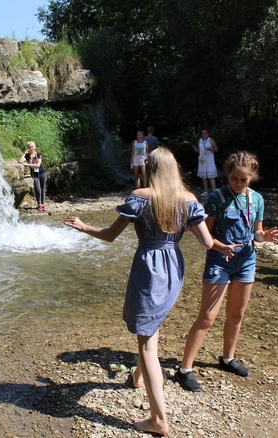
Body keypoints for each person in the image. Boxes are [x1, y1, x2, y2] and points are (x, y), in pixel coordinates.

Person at [64, 148, 213, 435]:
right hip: (173, 266)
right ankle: (138, 375)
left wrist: (83, 227)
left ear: (150, 168)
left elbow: (109, 235)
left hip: (149, 267)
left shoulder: (141, 197)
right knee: (149, 326)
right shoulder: (189, 200)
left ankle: (159, 420)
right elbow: (206, 243)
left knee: (147, 342)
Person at [175, 151, 278, 393]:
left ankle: (227, 358)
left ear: (252, 177)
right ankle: (184, 370)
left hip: (246, 261)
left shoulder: (257, 200)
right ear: (227, 176)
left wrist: (265, 238)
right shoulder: (216, 198)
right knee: (207, 317)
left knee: (237, 314)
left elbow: (257, 234)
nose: (239, 183)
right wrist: (221, 247)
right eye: (234, 178)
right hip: (219, 261)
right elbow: (203, 234)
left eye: (244, 179)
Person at [19, 141, 47, 211]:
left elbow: (38, 165)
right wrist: (25, 153)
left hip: (42, 173)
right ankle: (39, 204)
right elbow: (20, 161)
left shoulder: (38, 154)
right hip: (34, 175)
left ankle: (43, 204)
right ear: (28, 148)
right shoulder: (27, 156)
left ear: (35, 147)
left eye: (32, 147)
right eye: (30, 147)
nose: (32, 148)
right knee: (38, 190)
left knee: (43, 189)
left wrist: (27, 164)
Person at [191, 128, 219, 197]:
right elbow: (198, 151)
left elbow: (216, 149)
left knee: (210, 176)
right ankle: (206, 191)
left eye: (205, 133)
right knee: (203, 176)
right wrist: (194, 148)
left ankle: (214, 190)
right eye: (202, 133)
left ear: (208, 133)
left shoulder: (211, 140)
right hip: (202, 159)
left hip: (209, 159)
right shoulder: (200, 140)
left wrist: (211, 149)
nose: (204, 135)